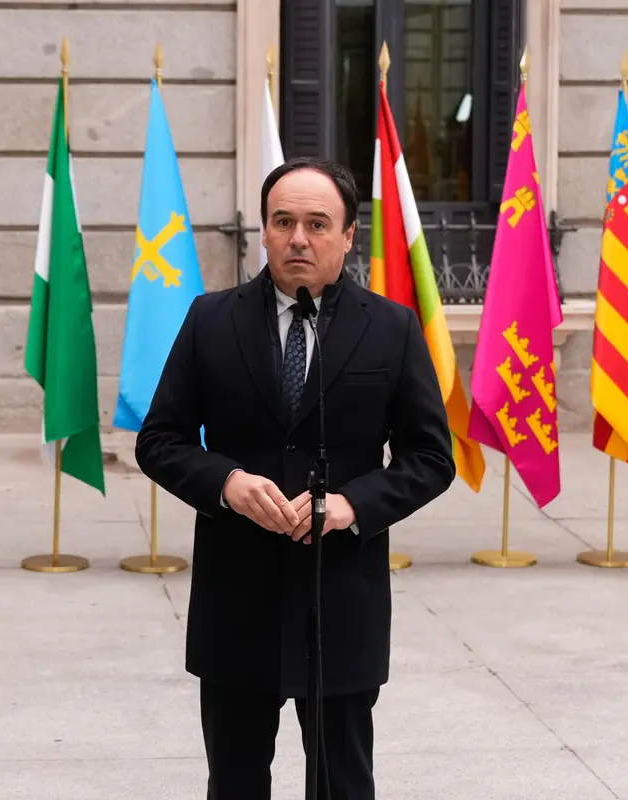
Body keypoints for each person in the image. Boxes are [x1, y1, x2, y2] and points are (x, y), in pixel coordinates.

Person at [134, 157, 456, 799]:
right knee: (235, 781)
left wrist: (350, 505)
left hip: (338, 597)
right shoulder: (210, 320)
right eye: (283, 222)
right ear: (264, 230)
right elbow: (159, 442)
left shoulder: (390, 328)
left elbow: (430, 458)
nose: (298, 238)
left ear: (347, 235)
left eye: (316, 223)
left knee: (340, 784)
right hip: (237, 599)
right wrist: (226, 482)